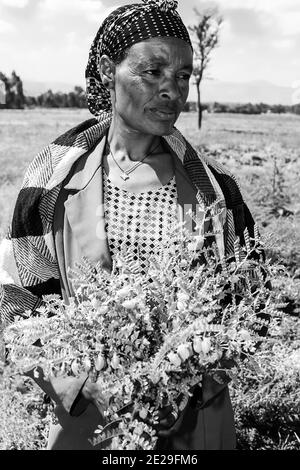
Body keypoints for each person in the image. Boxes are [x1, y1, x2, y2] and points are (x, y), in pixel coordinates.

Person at [0, 0, 257, 450]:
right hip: (88, 423)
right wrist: (73, 383)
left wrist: (191, 363)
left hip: (193, 424)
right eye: (152, 72)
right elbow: (15, 297)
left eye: (182, 76)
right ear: (108, 70)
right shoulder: (51, 184)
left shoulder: (216, 192)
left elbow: (246, 302)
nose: (172, 92)